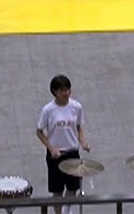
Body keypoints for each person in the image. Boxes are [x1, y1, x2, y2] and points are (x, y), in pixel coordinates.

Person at [37, 74, 89, 209]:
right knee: (57, 190)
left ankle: (67, 212)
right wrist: (51, 148)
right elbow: (39, 132)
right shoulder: (48, 110)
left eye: (68, 90)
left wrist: (83, 142)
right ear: (55, 92)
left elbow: (78, 127)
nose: (66, 93)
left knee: (73, 188)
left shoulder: (76, 107)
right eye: (62, 91)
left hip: (72, 153)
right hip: (56, 155)